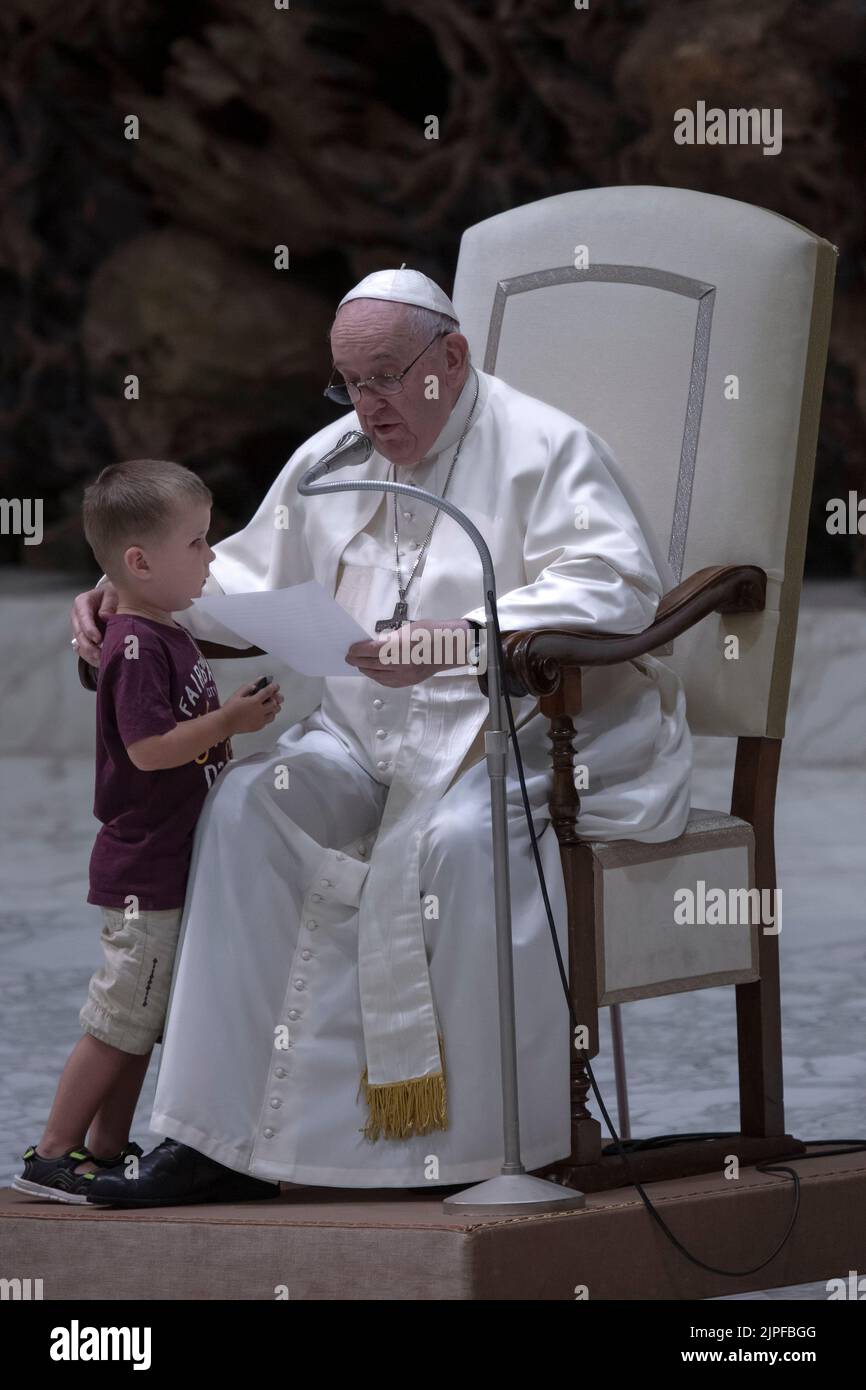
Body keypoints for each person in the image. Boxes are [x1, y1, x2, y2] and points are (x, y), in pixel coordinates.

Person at [71, 269, 692, 1207]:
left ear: (451, 357)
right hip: (368, 738)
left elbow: (616, 585)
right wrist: (129, 601)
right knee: (244, 807)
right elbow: (238, 574)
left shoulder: (546, 448)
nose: (367, 407)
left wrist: (450, 642)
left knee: (461, 845)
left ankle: (495, 1150)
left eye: (386, 379)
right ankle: (216, 1140)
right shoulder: (335, 456)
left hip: (517, 734)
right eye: (348, 384)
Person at [16, 460, 284, 1203]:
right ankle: (52, 1152)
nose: (212, 556)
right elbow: (147, 749)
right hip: (144, 869)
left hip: (167, 859)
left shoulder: (164, 631)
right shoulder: (135, 644)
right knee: (117, 1015)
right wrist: (229, 720)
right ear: (139, 562)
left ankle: (105, 1147)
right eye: (198, 544)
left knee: (144, 1016)